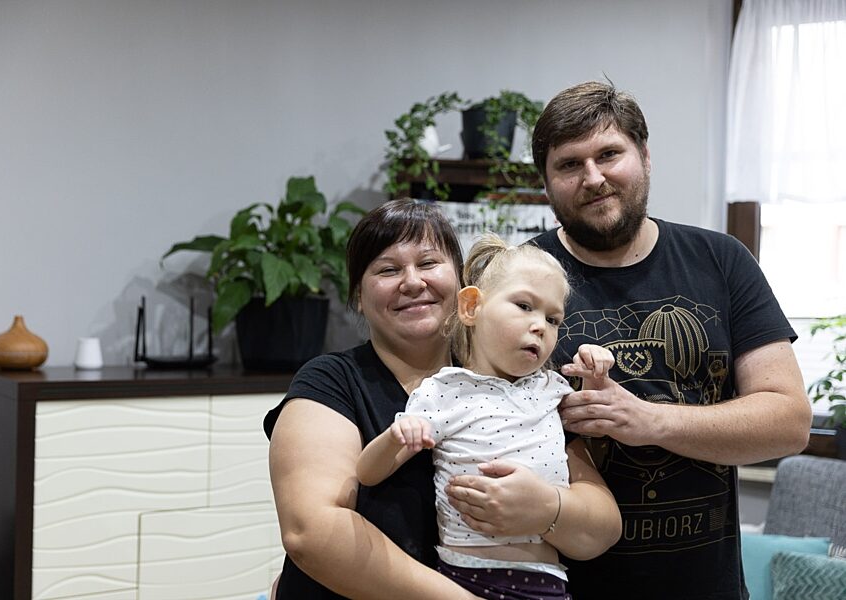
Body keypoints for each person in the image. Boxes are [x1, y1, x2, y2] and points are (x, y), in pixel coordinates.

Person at [447, 81, 812, 600]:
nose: (593, 177)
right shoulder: (517, 284)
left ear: (644, 155)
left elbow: (789, 423)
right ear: (546, 184)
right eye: (569, 165)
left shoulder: (722, 260)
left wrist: (649, 421)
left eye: (608, 154)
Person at [263, 198, 622, 599]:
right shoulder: (332, 381)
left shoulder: (519, 383)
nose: (412, 282)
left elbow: (602, 527)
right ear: (359, 296)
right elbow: (310, 532)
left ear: (464, 286)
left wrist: (548, 509)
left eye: (429, 263)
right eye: (388, 269)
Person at [356, 233, 619, 600]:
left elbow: (595, 426)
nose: (540, 326)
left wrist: (596, 374)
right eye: (524, 305)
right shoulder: (444, 391)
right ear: (471, 307)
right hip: (464, 578)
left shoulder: (550, 388)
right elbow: (367, 473)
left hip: (548, 584)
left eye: (553, 318)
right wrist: (396, 435)